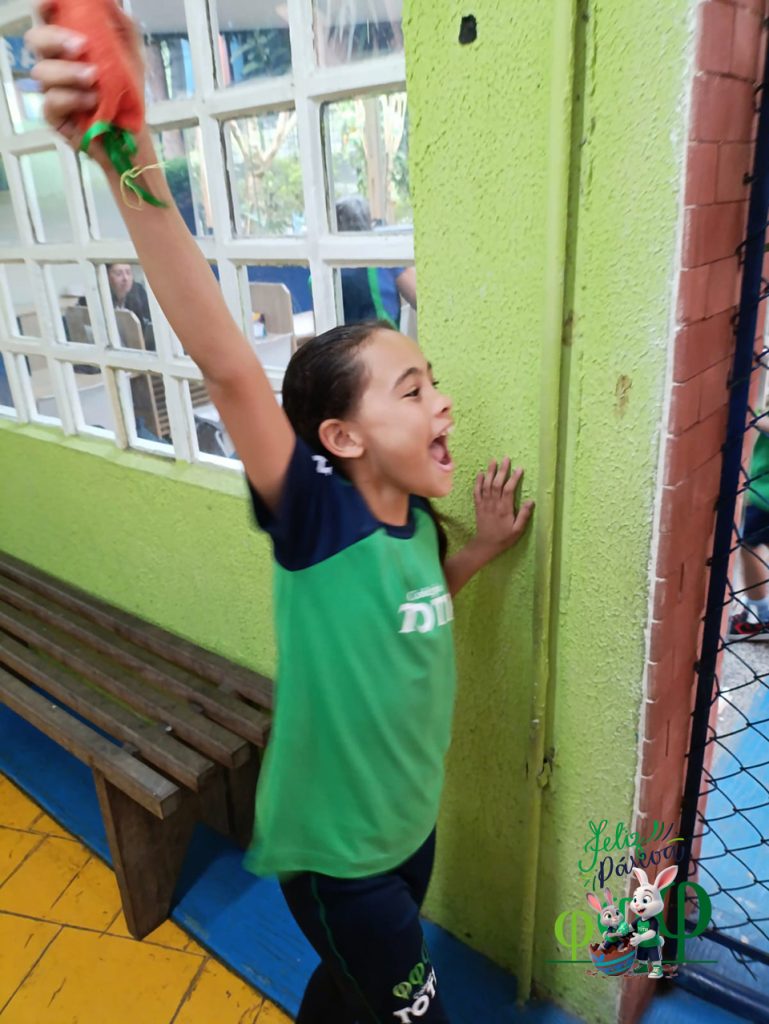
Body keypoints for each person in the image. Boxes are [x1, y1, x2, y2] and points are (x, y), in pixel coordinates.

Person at [28, 9, 535, 1020]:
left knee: (349, 993)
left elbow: (414, 604)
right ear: (339, 438)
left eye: (431, 381)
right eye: (411, 390)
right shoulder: (318, 520)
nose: (441, 404)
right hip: (340, 860)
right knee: (412, 1008)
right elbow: (224, 361)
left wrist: (479, 549)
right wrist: (130, 160)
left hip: (406, 833)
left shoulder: (410, 525)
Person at [336, 194, 417, 327]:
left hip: (339, 340)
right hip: (383, 338)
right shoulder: (384, 257)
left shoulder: (325, 269)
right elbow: (420, 299)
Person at [730, 413, 769, 638]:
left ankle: (762, 616)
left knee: (748, 545)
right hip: (761, 490)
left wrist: (753, 417)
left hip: (765, 497)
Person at [77, 262, 155, 350]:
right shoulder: (93, 296)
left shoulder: (139, 292)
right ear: (105, 277)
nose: (125, 278)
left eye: (128, 273)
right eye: (119, 274)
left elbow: (148, 329)